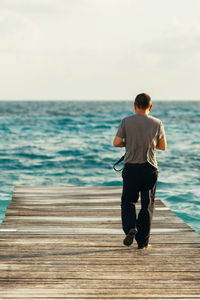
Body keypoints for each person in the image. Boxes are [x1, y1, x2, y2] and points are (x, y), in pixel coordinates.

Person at [113, 93, 166, 250]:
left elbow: (116, 142)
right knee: (146, 205)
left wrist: (128, 144)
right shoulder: (157, 123)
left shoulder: (126, 121)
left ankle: (130, 227)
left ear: (135, 106)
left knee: (128, 201)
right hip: (149, 169)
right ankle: (143, 243)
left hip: (131, 169)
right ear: (150, 107)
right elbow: (163, 146)